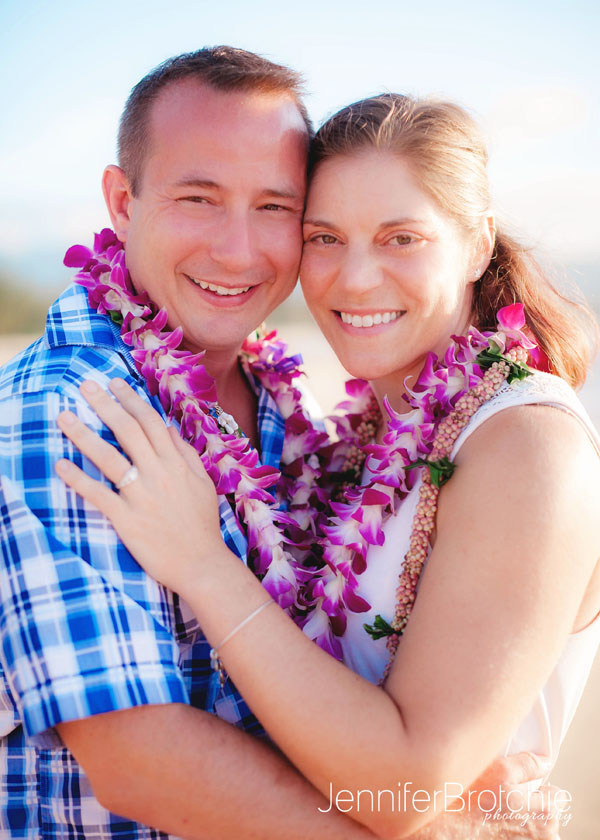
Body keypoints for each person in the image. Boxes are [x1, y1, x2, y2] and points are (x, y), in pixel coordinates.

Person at [0, 49, 556, 839]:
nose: (239, 250)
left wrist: (432, 777)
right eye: (200, 197)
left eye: (276, 208)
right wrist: (427, 826)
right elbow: (140, 762)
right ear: (123, 201)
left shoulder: (288, 411)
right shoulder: (74, 409)